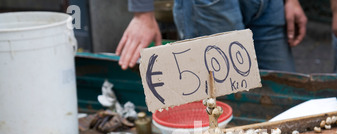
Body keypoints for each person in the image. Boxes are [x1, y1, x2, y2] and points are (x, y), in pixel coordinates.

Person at [116, 0, 308, 72]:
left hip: (268, 5)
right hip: (211, 5)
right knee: (222, 104)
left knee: (284, 95)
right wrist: (142, 14)